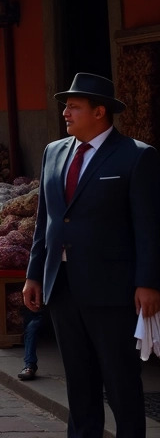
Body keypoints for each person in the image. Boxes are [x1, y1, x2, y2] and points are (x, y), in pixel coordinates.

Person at [23, 73, 160, 438]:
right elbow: (45, 221)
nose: (65, 112)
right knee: (79, 383)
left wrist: (148, 282)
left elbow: (149, 227)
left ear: (100, 112)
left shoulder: (137, 156)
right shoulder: (54, 152)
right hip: (63, 287)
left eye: (74, 106)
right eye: (65, 106)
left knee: (121, 383)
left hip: (113, 291)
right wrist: (34, 274)